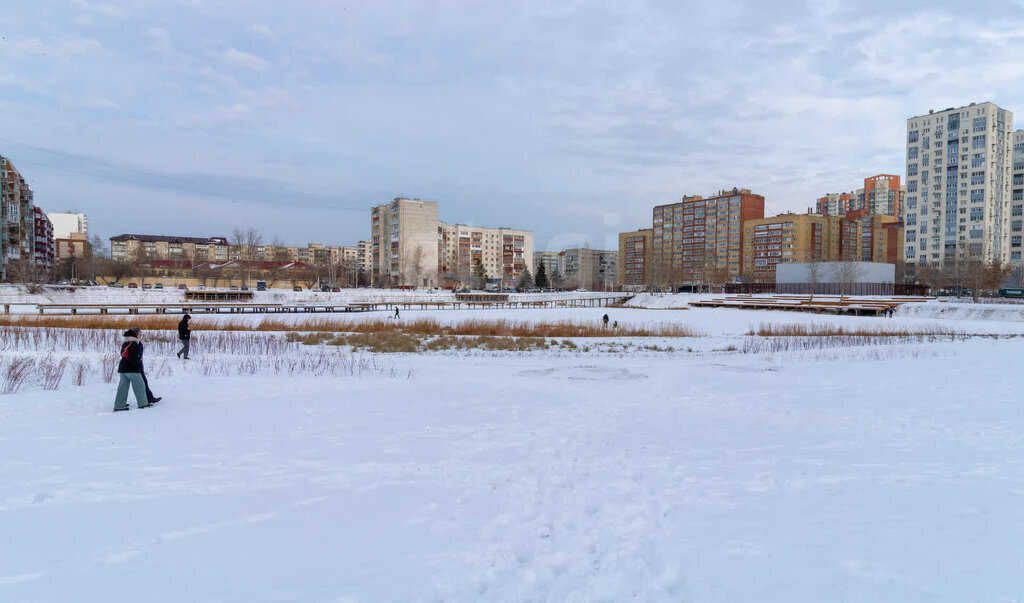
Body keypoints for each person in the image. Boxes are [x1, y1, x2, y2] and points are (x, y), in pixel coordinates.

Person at [113, 328, 151, 411]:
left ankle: (119, 405)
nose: (140, 335)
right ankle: (143, 404)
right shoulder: (134, 344)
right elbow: (133, 359)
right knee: (140, 386)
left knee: (123, 388)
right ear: (135, 335)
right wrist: (139, 359)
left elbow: (123, 354)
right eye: (139, 334)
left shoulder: (125, 343)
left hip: (123, 369)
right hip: (132, 370)